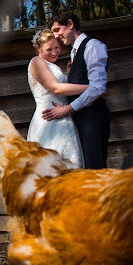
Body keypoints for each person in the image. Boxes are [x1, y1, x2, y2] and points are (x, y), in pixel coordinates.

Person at [42, 11, 110, 169]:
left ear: (71, 24)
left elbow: (98, 87)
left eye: (57, 30)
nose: (56, 36)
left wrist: (67, 109)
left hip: (93, 117)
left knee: (95, 167)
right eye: (53, 32)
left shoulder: (93, 46)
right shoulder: (74, 53)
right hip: (80, 118)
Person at [26, 29, 86, 167]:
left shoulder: (54, 66)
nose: (54, 53)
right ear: (38, 48)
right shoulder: (36, 62)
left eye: (57, 47)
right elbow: (55, 88)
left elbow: (63, 89)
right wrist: (92, 89)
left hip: (63, 117)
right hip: (48, 120)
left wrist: (69, 75)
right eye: (49, 49)